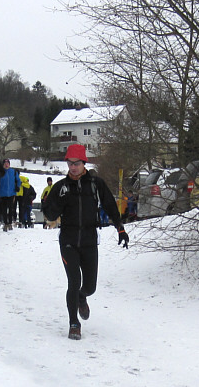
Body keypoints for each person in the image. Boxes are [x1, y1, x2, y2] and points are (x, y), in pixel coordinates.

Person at [43, 144, 129, 340]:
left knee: (90, 287)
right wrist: (58, 202)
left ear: (84, 163)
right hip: (69, 241)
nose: (73, 167)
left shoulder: (95, 184)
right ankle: (74, 323)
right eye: (70, 163)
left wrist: (120, 228)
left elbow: (109, 205)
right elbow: (49, 213)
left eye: (77, 163)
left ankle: (83, 297)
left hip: (89, 241)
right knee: (74, 282)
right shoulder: (60, 187)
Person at [0, 159, 21, 232]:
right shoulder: (1, 172)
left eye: (7, 163)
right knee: (4, 209)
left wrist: (17, 187)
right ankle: (5, 223)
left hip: (11, 193)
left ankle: (10, 223)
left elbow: (18, 180)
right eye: (5, 163)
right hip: (2, 193)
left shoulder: (13, 172)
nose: (6, 164)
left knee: (11, 208)